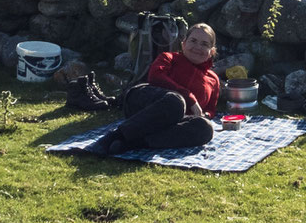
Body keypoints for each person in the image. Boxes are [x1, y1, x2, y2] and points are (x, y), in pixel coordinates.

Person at [87, 22, 221, 155]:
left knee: (205, 128)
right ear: (183, 43)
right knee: (176, 101)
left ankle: (132, 144)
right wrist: (189, 98)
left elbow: (210, 109)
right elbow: (156, 77)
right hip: (146, 102)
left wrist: (204, 115)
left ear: (212, 51)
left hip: (173, 119)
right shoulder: (169, 58)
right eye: (193, 41)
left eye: (204, 44)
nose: (198, 47)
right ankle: (113, 137)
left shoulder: (213, 79)